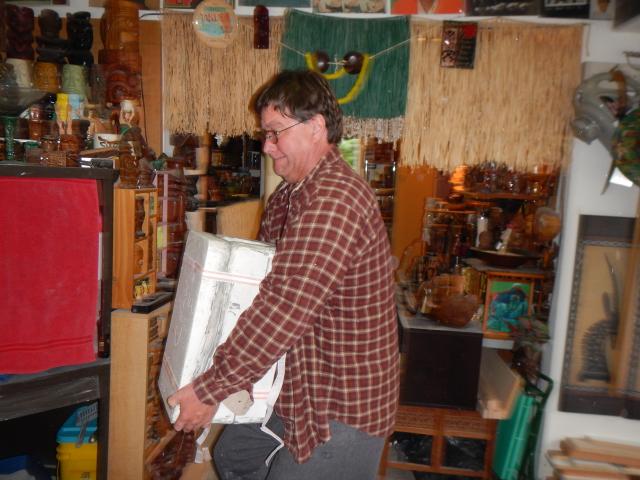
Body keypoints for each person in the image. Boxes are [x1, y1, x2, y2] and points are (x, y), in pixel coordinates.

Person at [167, 69, 400, 479]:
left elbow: (284, 305)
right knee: (235, 457)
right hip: (298, 382)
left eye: (276, 132)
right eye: (266, 134)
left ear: (316, 127)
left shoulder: (334, 199)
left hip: (342, 402)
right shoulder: (290, 195)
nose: (267, 146)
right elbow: (260, 284)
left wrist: (211, 388)